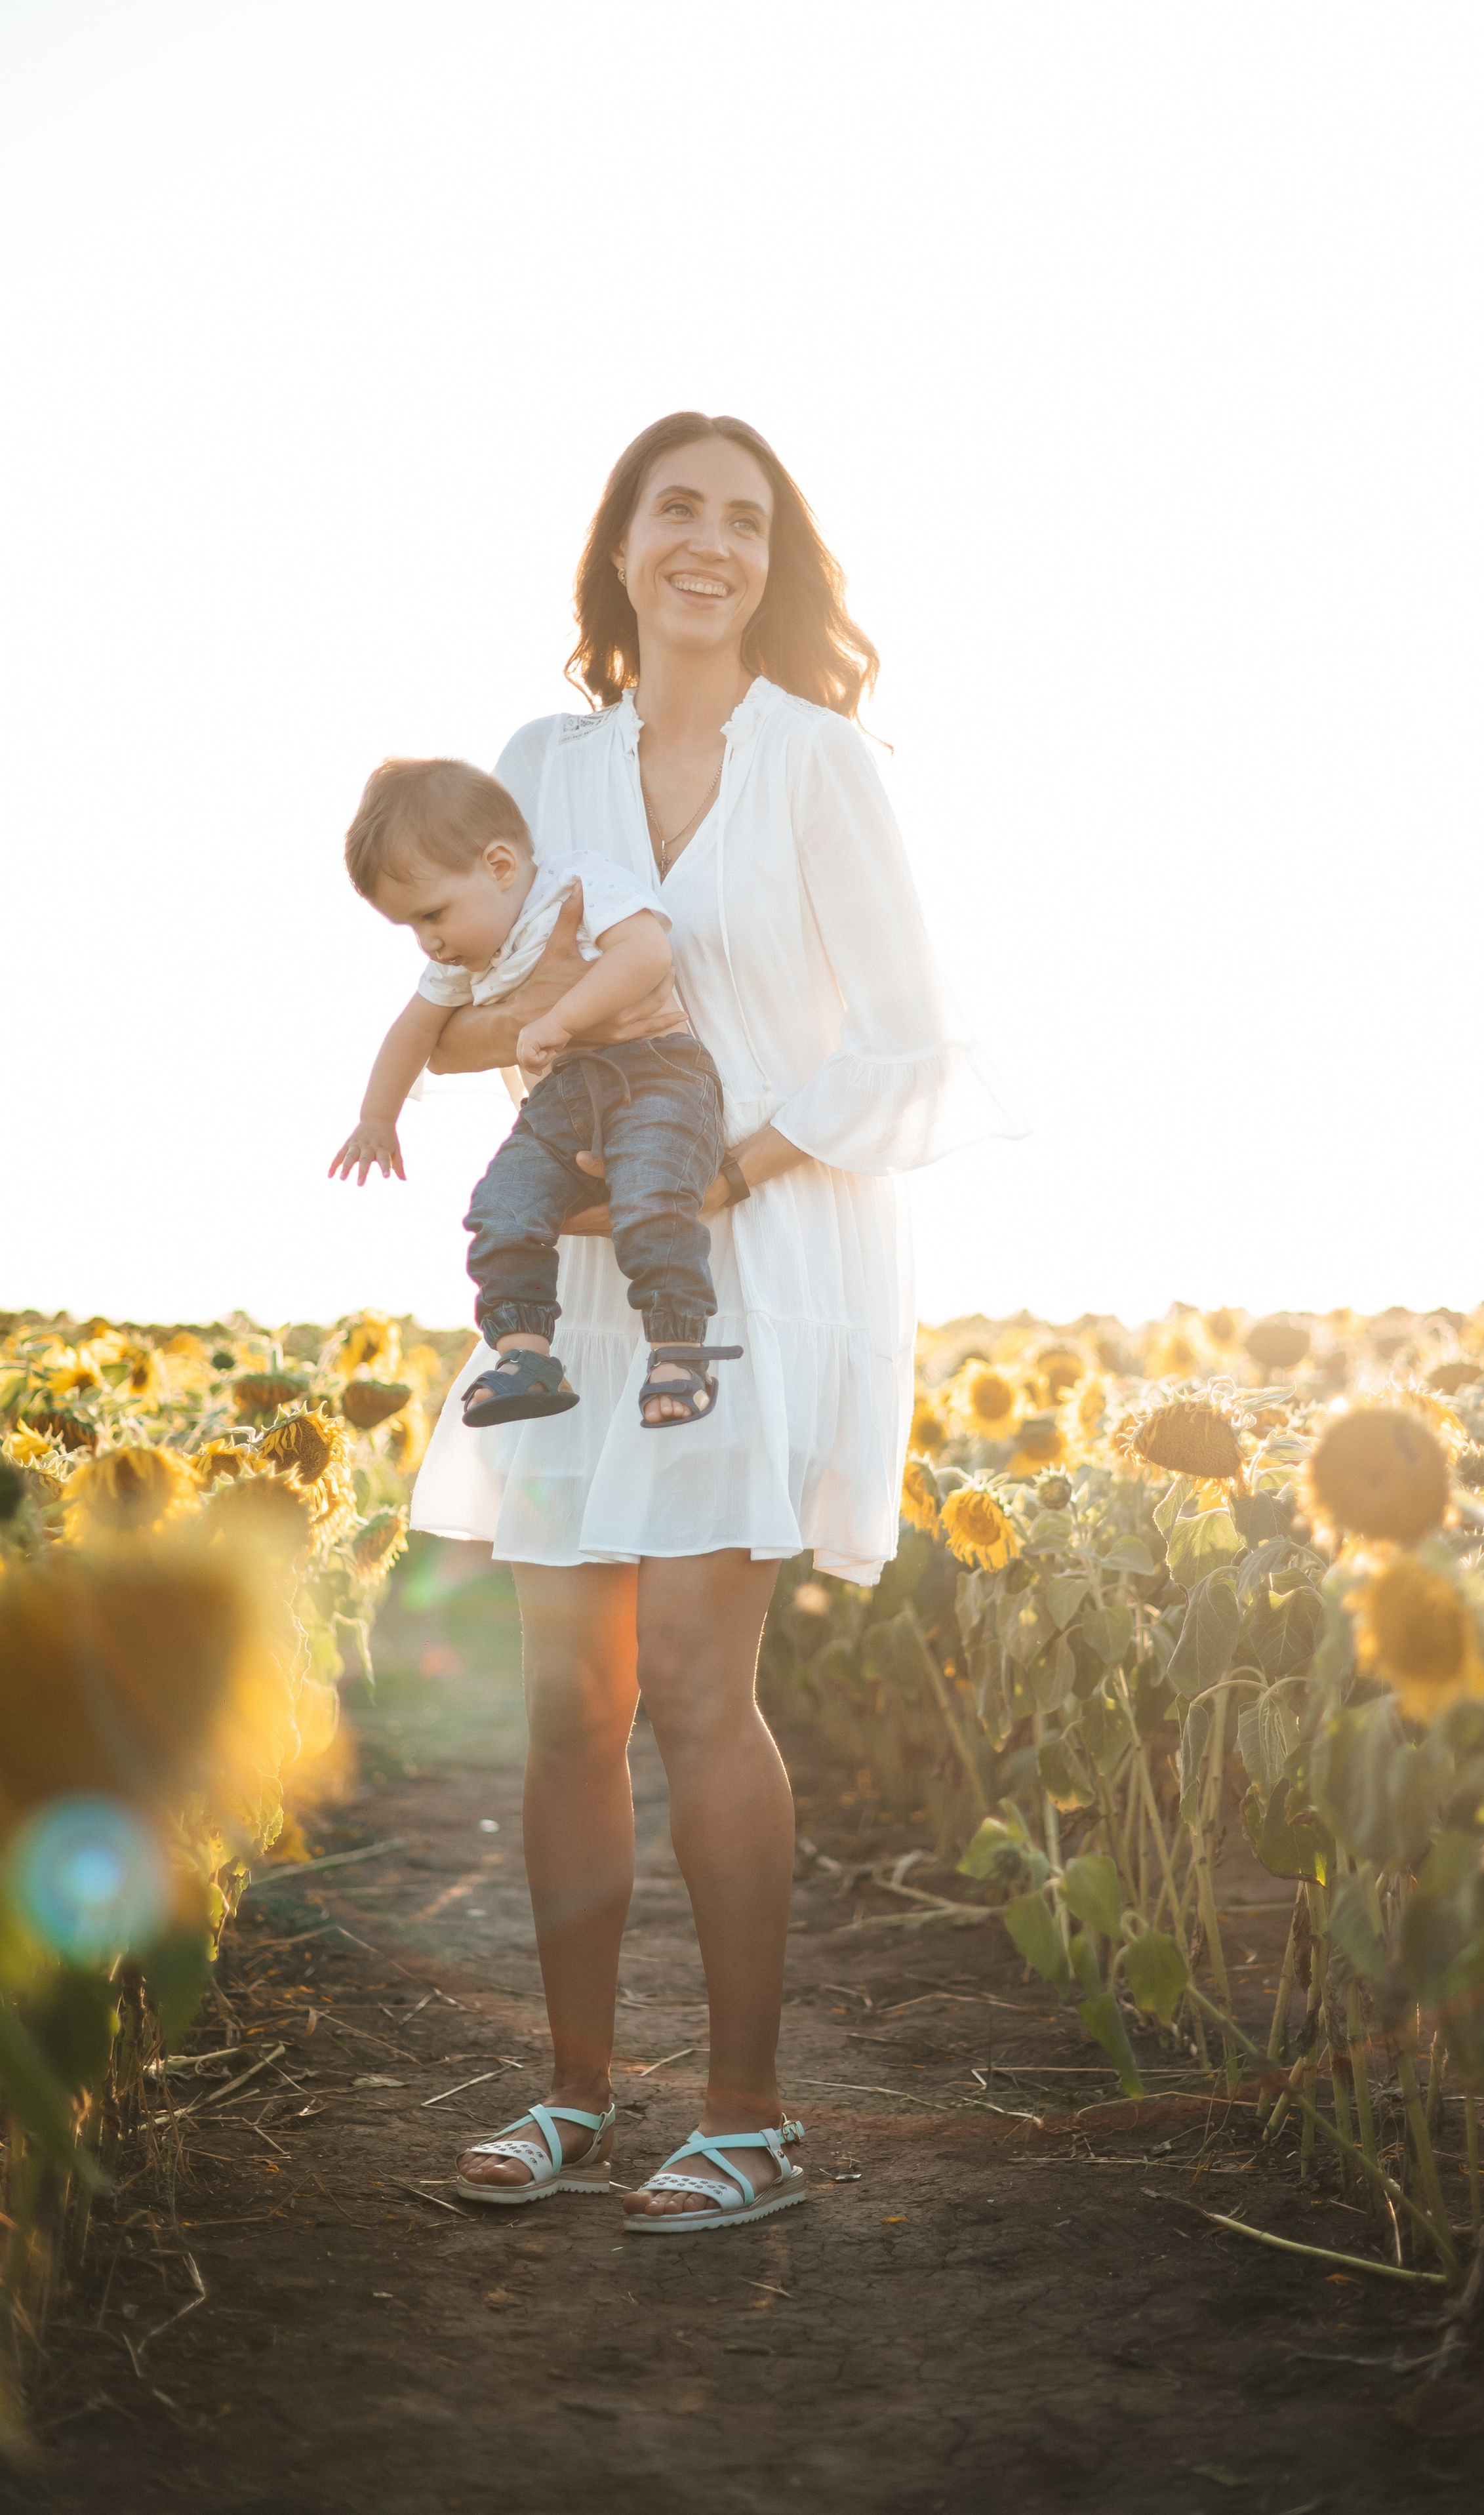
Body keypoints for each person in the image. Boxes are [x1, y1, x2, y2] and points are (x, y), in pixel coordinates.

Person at [411, 411, 1024, 2228]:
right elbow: (451, 1012)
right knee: (563, 1703)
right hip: (584, 1269)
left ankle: (747, 2116)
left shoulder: (819, 763)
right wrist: (544, 1054)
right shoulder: (537, 765)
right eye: (675, 508)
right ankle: (575, 2096)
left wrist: (719, 1175)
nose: (709, 541)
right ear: (619, 547)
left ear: (773, 564)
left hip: (758, 1255)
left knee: (692, 1680)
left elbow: (909, 1042)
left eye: (744, 520)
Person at [329, 759, 740, 1432]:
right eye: (411, 928)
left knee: (652, 1203)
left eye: (433, 914)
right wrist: (378, 1117)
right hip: (564, 1098)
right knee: (502, 1207)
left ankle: (678, 1350)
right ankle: (525, 1355)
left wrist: (560, 1019)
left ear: (498, 865)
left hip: (657, 1073)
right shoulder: (462, 958)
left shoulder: (576, 884)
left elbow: (646, 953)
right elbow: (415, 1032)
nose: (429, 941)